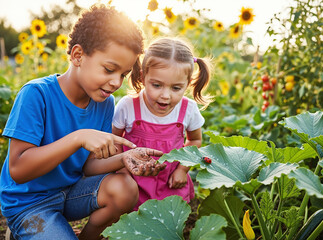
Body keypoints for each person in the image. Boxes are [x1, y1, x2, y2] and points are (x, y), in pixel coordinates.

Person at [0, 4, 166, 240]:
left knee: (125, 188)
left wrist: (124, 158)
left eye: (123, 74)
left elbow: (89, 167)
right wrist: (78, 138)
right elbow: (18, 170)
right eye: (109, 69)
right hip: (30, 202)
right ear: (78, 55)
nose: (116, 82)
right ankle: (20, 230)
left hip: (71, 193)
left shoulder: (104, 103)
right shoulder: (36, 95)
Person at [112, 37, 212, 210]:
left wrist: (182, 169)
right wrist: (122, 170)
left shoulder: (188, 109)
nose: (165, 95)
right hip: (134, 177)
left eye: (176, 88)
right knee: (131, 219)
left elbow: (194, 140)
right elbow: (114, 139)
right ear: (143, 78)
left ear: (187, 84)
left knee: (170, 219)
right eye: (157, 85)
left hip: (170, 178)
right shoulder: (128, 106)